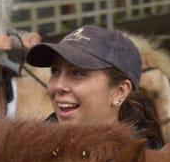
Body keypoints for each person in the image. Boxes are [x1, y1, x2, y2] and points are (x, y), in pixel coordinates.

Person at [26, 25, 163, 149]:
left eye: (77, 73)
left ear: (120, 91)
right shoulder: (32, 150)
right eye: (55, 71)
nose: (58, 86)